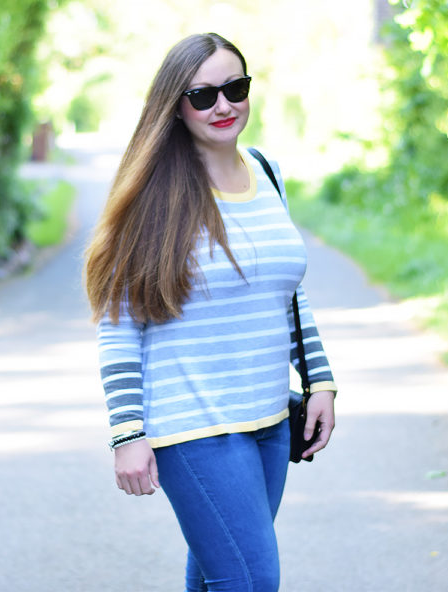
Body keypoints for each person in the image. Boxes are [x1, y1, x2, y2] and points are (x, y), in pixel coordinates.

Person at [83, 32, 337, 592]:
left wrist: (321, 382)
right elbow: (119, 324)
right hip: (193, 428)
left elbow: (287, 294)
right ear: (175, 105)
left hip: (268, 423)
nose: (223, 106)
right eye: (202, 96)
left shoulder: (266, 172)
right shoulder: (154, 192)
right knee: (250, 580)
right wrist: (127, 433)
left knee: (220, 578)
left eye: (234, 88)